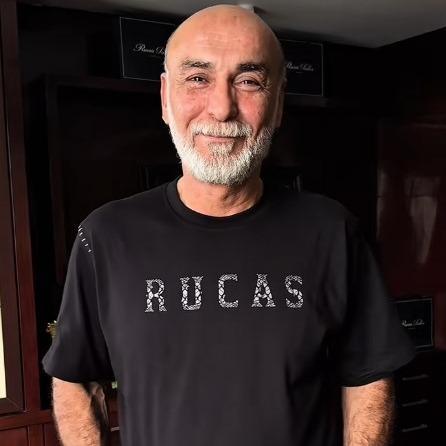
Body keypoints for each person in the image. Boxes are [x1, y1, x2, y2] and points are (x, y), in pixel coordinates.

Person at [43, 5, 415, 446]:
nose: (222, 109)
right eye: (197, 78)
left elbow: (369, 377)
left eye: (249, 81)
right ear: (165, 98)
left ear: (278, 103)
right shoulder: (104, 237)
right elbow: (77, 378)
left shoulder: (333, 232)